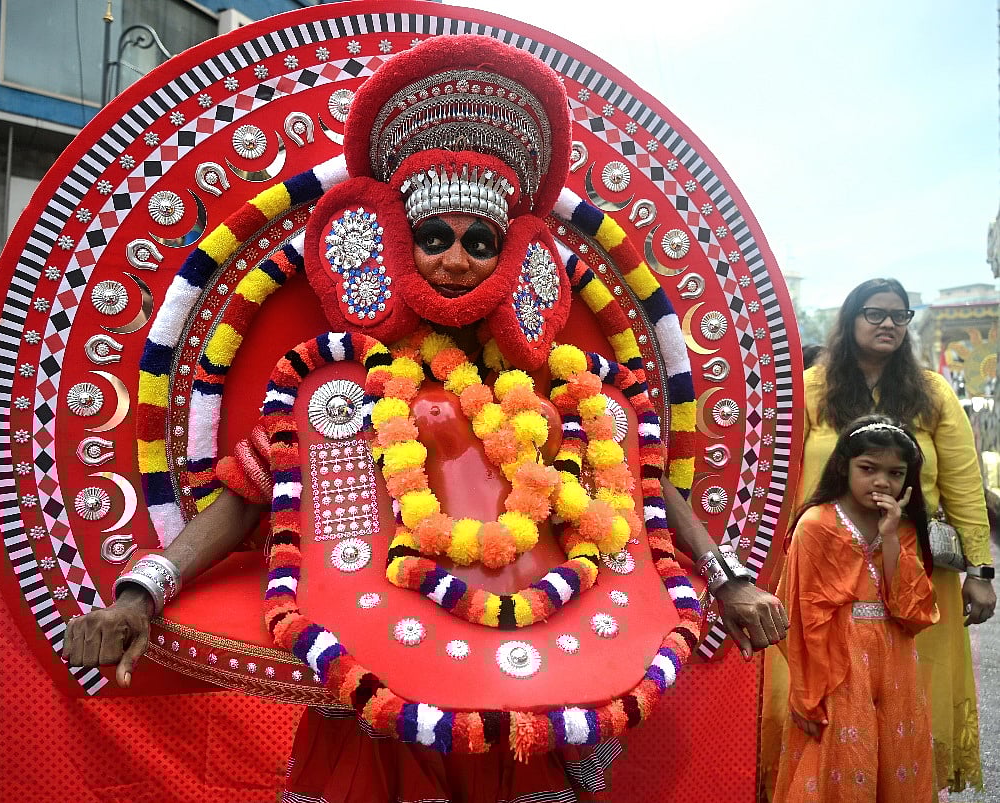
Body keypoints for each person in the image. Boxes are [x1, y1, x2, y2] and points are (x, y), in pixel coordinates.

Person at [63, 35, 788, 802]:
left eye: (480, 242)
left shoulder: (552, 385)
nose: (455, 260)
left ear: (514, 259)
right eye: (434, 237)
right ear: (391, 243)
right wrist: (140, 593)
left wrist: (728, 577)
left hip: (522, 696)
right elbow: (251, 498)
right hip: (379, 688)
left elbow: (639, 495)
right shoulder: (334, 386)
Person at [763, 278, 995, 799]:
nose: (887, 322)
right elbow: (778, 474)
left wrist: (981, 572)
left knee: (909, 707)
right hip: (824, 573)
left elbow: (962, 482)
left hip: (913, 574)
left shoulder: (931, 393)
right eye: (873, 313)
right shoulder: (811, 388)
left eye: (899, 314)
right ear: (849, 321)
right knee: (818, 704)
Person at [774, 415, 938, 802]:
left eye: (895, 473)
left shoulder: (904, 528)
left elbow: (912, 613)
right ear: (843, 466)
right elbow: (801, 616)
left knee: (896, 761)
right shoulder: (816, 524)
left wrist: (891, 538)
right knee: (842, 761)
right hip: (839, 665)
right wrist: (806, 691)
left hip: (896, 660)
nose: (882, 482)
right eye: (868, 469)